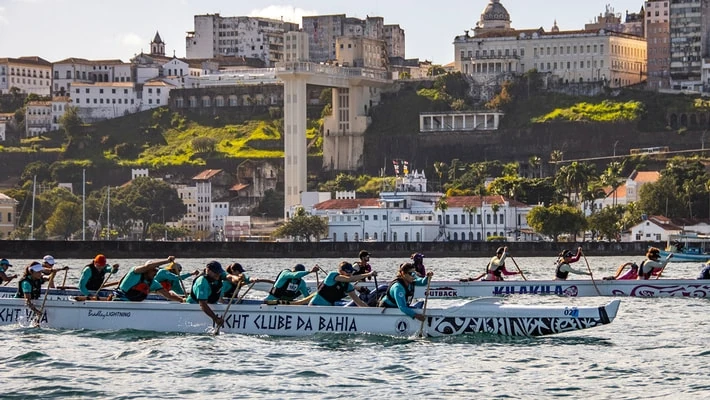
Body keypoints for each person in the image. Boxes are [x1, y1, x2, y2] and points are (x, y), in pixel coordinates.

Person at [186, 261, 241, 326]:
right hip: (194, 304)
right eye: (216, 272)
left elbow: (230, 277)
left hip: (211, 303)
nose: (218, 274)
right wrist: (215, 319)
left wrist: (238, 279)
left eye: (219, 272)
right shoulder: (202, 282)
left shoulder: (219, 274)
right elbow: (203, 304)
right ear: (208, 271)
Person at [112, 256, 184, 302]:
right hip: (119, 301)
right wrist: (167, 261)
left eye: (157, 270)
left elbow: (168, 295)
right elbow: (147, 266)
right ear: (147, 270)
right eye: (154, 270)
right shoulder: (135, 272)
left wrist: (181, 300)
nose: (156, 272)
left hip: (134, 306)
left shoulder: (153, 283)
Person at [309, 261, 377, 307]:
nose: (350, 274)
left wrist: (373, 311)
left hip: (327, 309)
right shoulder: (332, 276)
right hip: (314, 306)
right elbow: (350, 279)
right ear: (341, 271)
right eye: (347, 272)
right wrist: (369, 274)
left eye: (351, 272)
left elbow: (358, 302)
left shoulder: (348, 287)